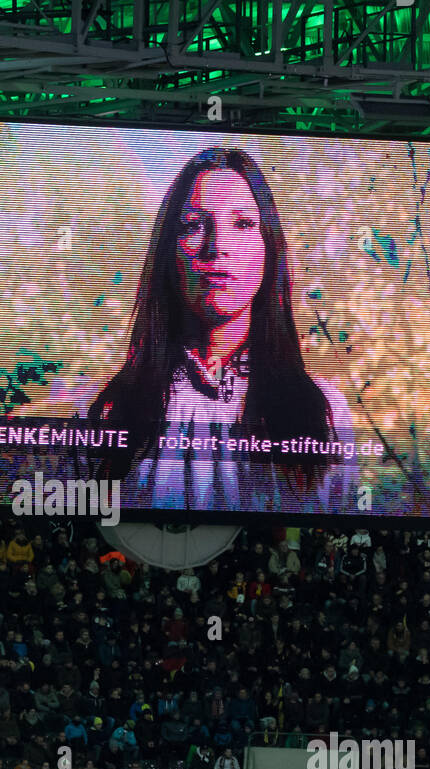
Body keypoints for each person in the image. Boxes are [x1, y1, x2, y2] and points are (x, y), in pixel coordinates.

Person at [82, 146, 356, 513]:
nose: (218, 246)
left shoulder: (325, 412)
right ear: (168, 252)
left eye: (242, 223)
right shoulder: (105, 411)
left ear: (269, 247)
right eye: (194, 225)